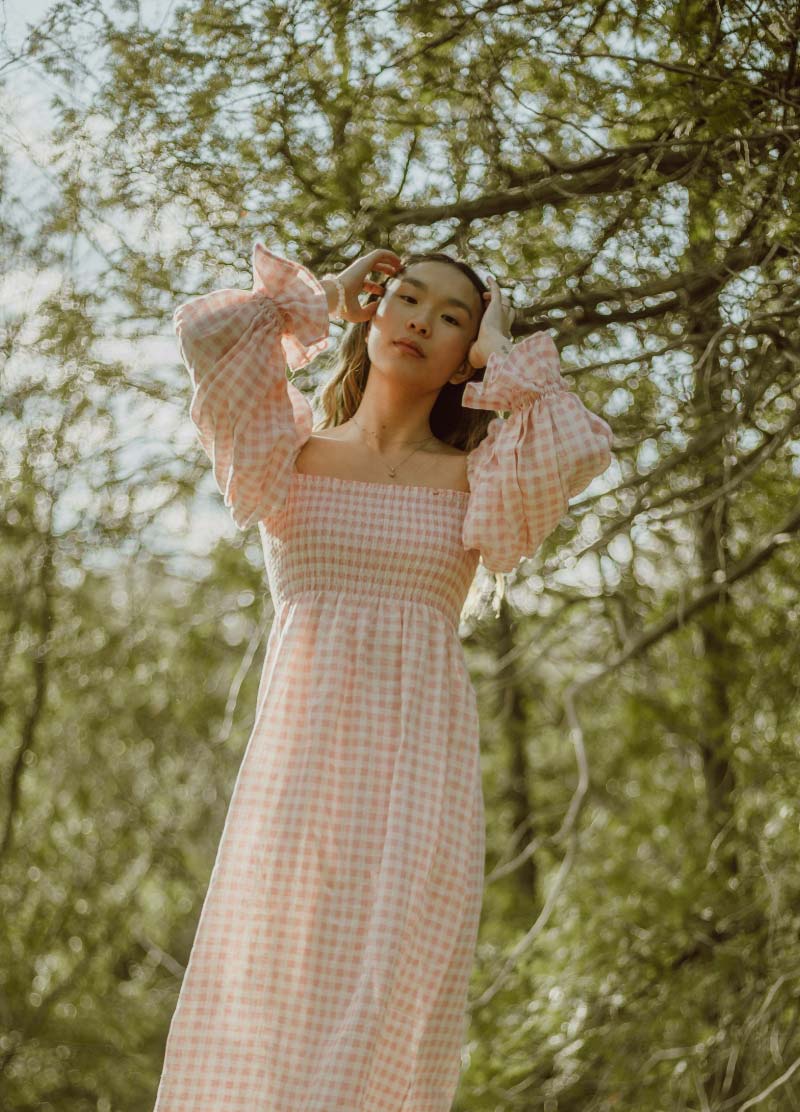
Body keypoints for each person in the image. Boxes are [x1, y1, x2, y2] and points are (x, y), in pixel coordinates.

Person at [153, 242, 614, 1111]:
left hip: (416, 785)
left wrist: (502, 353)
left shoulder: (482, 479)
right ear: (373, 313)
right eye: (407, 298)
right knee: (273, 1016)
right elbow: (205, 335)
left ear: (465, 354)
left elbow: (581, 441)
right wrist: (324, 297)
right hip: (299, 787)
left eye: (452, 318)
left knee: (381, 1014)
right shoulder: (286, 452)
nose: (422, 322)